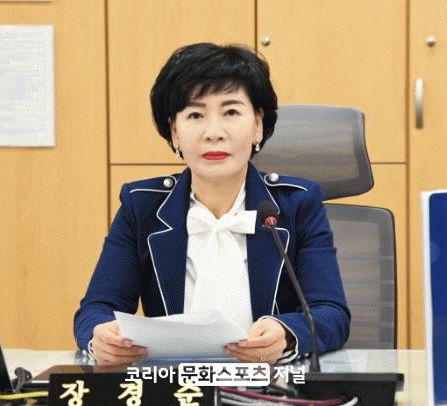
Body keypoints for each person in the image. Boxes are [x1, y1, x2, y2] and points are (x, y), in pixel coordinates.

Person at [74, 43, 350, 366]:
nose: (214, 133)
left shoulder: (297, 204)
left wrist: (287, 334)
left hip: (269, 383)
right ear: (175, 132)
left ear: (257, 124)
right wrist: (100, 335)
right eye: (195, 115)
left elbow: (331, 312)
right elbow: (96, 309)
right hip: (174, 385)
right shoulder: (141, 207)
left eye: (231, 112)